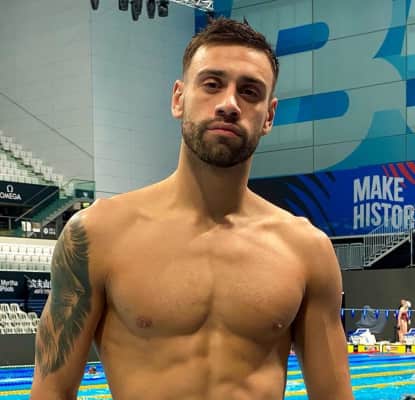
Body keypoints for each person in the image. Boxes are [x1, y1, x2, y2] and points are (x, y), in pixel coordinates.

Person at [30, 18, 353, 400]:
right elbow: (51, 392)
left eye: (249, 92)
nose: (229, 104)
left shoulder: (306, 250)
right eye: (212, 84)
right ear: (178, 98)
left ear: (269, 116)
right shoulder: (98, 235)